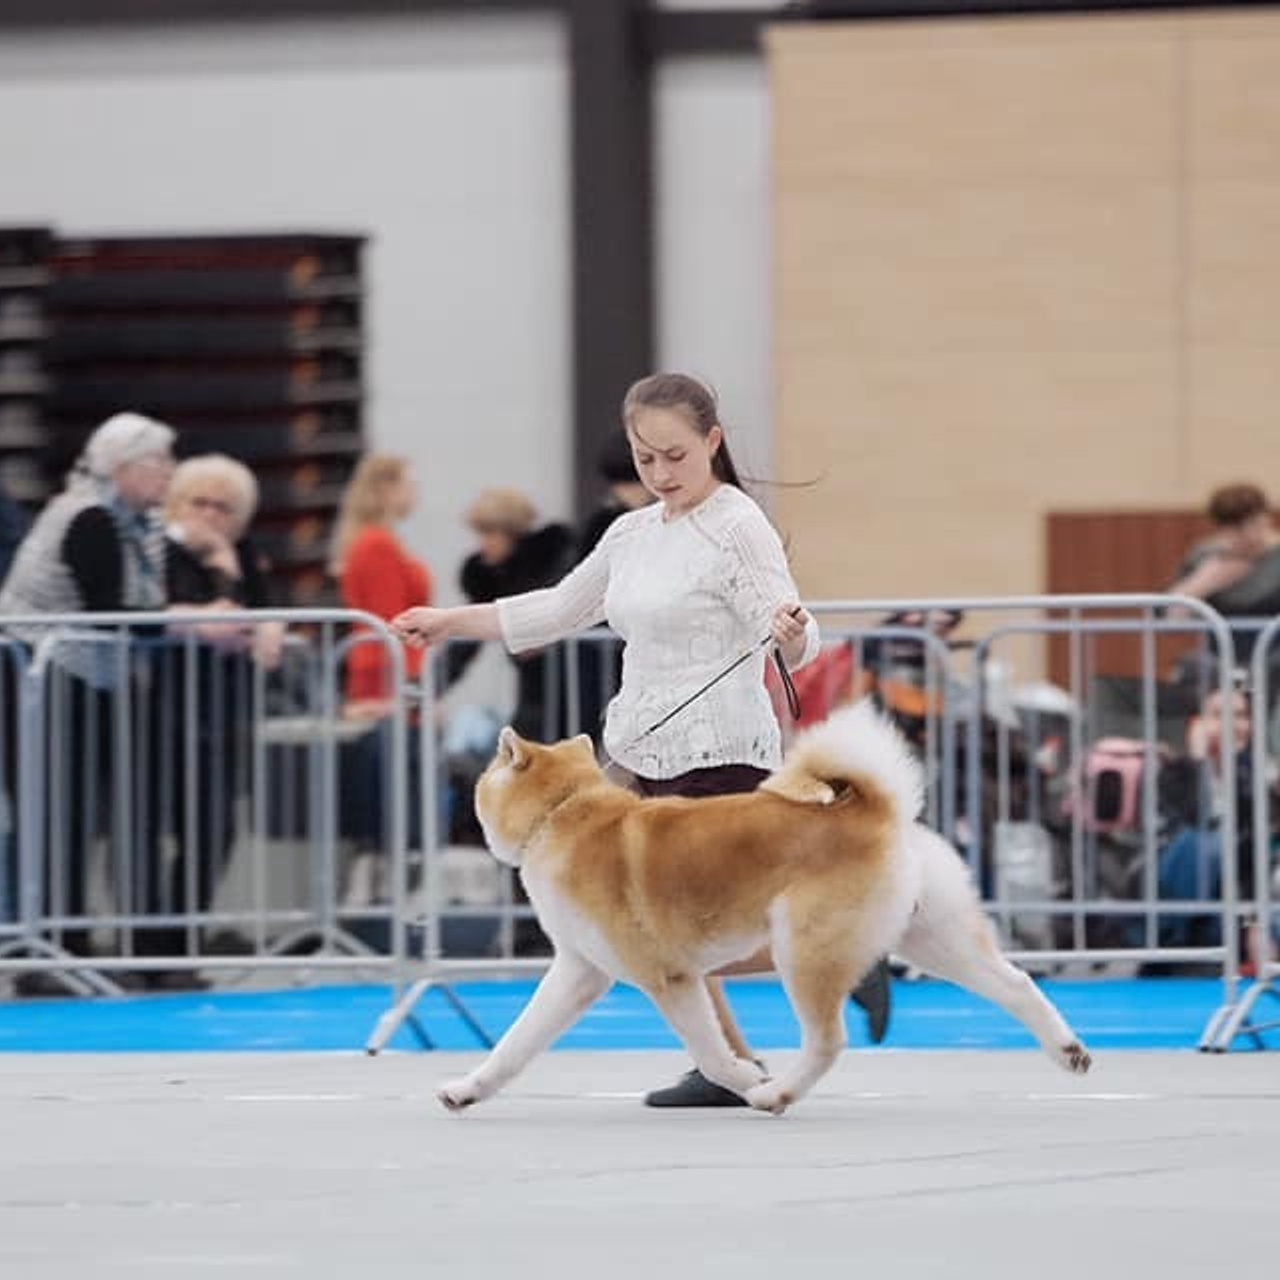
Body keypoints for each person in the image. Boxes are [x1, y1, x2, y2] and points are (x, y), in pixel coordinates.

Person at [392, 371, 891, 1107]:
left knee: (675, 934)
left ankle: (850, 944)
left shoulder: (736, 524)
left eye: (674, 456)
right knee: (650, 934)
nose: (659, 474)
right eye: (644, 458)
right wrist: (448, 620)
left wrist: (792, 636)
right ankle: (733, 1066)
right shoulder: (629, 532)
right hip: (637, 751)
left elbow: (795, 632)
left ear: (712, 443)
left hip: (720, 753)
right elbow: (560, 608)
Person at [0, 411, 175, 987]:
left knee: (69, 815)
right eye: (158, 463)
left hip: (71, 679)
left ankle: (63, 941)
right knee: (55, 814)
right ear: (122, 468)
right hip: (45, 679)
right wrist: (185, 622)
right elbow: (112, 609)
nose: (169, 474)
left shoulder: (128, 519)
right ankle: (47, 947)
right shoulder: (89, 518)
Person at [156, 453, 283, 974]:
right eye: (198, 502)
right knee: (156, 829)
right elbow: (229, 623)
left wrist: (261, 622)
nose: (210, 515)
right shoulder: (160, 552)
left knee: (216, 827)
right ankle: (154, 946)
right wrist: (224, 575)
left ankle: (186, 937)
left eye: (224, 507)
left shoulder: (247, 552)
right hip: (162, 707)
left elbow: (262, 621)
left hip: (226, 708)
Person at [329, 454, 433, 877]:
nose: (415, 493)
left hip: (389, 675)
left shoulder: (375, 541)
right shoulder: (376, 544)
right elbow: (392, 622)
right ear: (386, 489)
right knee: (396, 791)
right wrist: (411, 690)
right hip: (388, 680)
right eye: (408, 483)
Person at [1169, 484, 1280, 658]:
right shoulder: (1205, 557)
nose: (1250, 535)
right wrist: (1203, 583)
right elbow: (1171, 622)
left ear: (1267, 518)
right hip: (1220, 662)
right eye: (1237, 529)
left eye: (1255, 524)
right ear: (1221, 528)